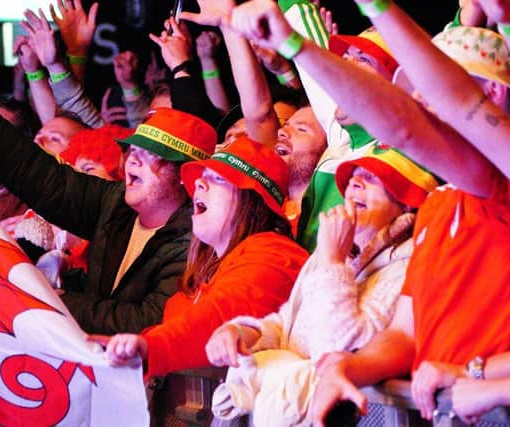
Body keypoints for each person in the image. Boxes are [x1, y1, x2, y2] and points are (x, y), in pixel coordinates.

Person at [216, 0, 510, 422]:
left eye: (432, 84)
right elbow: (406, 335)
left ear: (494, 93)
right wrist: (346, 366)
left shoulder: (500, 183)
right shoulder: (440, 205)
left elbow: (407, 125)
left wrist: (475, 374)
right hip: (447, 410)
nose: (419, 98)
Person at [0, 54, 217, 335]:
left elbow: (146, 320)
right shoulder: (114, 203)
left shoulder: (192, 241)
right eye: (134, 148)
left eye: (154, 156)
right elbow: (40, 175)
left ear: (184, 175)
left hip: (149, 390)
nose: (134, 159)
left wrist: (58, 301)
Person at [204, 145, 436, 426]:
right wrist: (243, 333)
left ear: (405, 204)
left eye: (372, 178)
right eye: (353, 178)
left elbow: (338, 351)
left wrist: (333, 262)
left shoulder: (406, 266)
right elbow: (286, 325)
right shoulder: (329, 253)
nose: (354, 183)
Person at [100, 137, 309, 380]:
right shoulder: (207, 269)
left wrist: (150, 347)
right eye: (203, 175)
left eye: (218, 178)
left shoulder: (275, 252)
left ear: (253, 200)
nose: (199, 183)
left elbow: (223, 315)